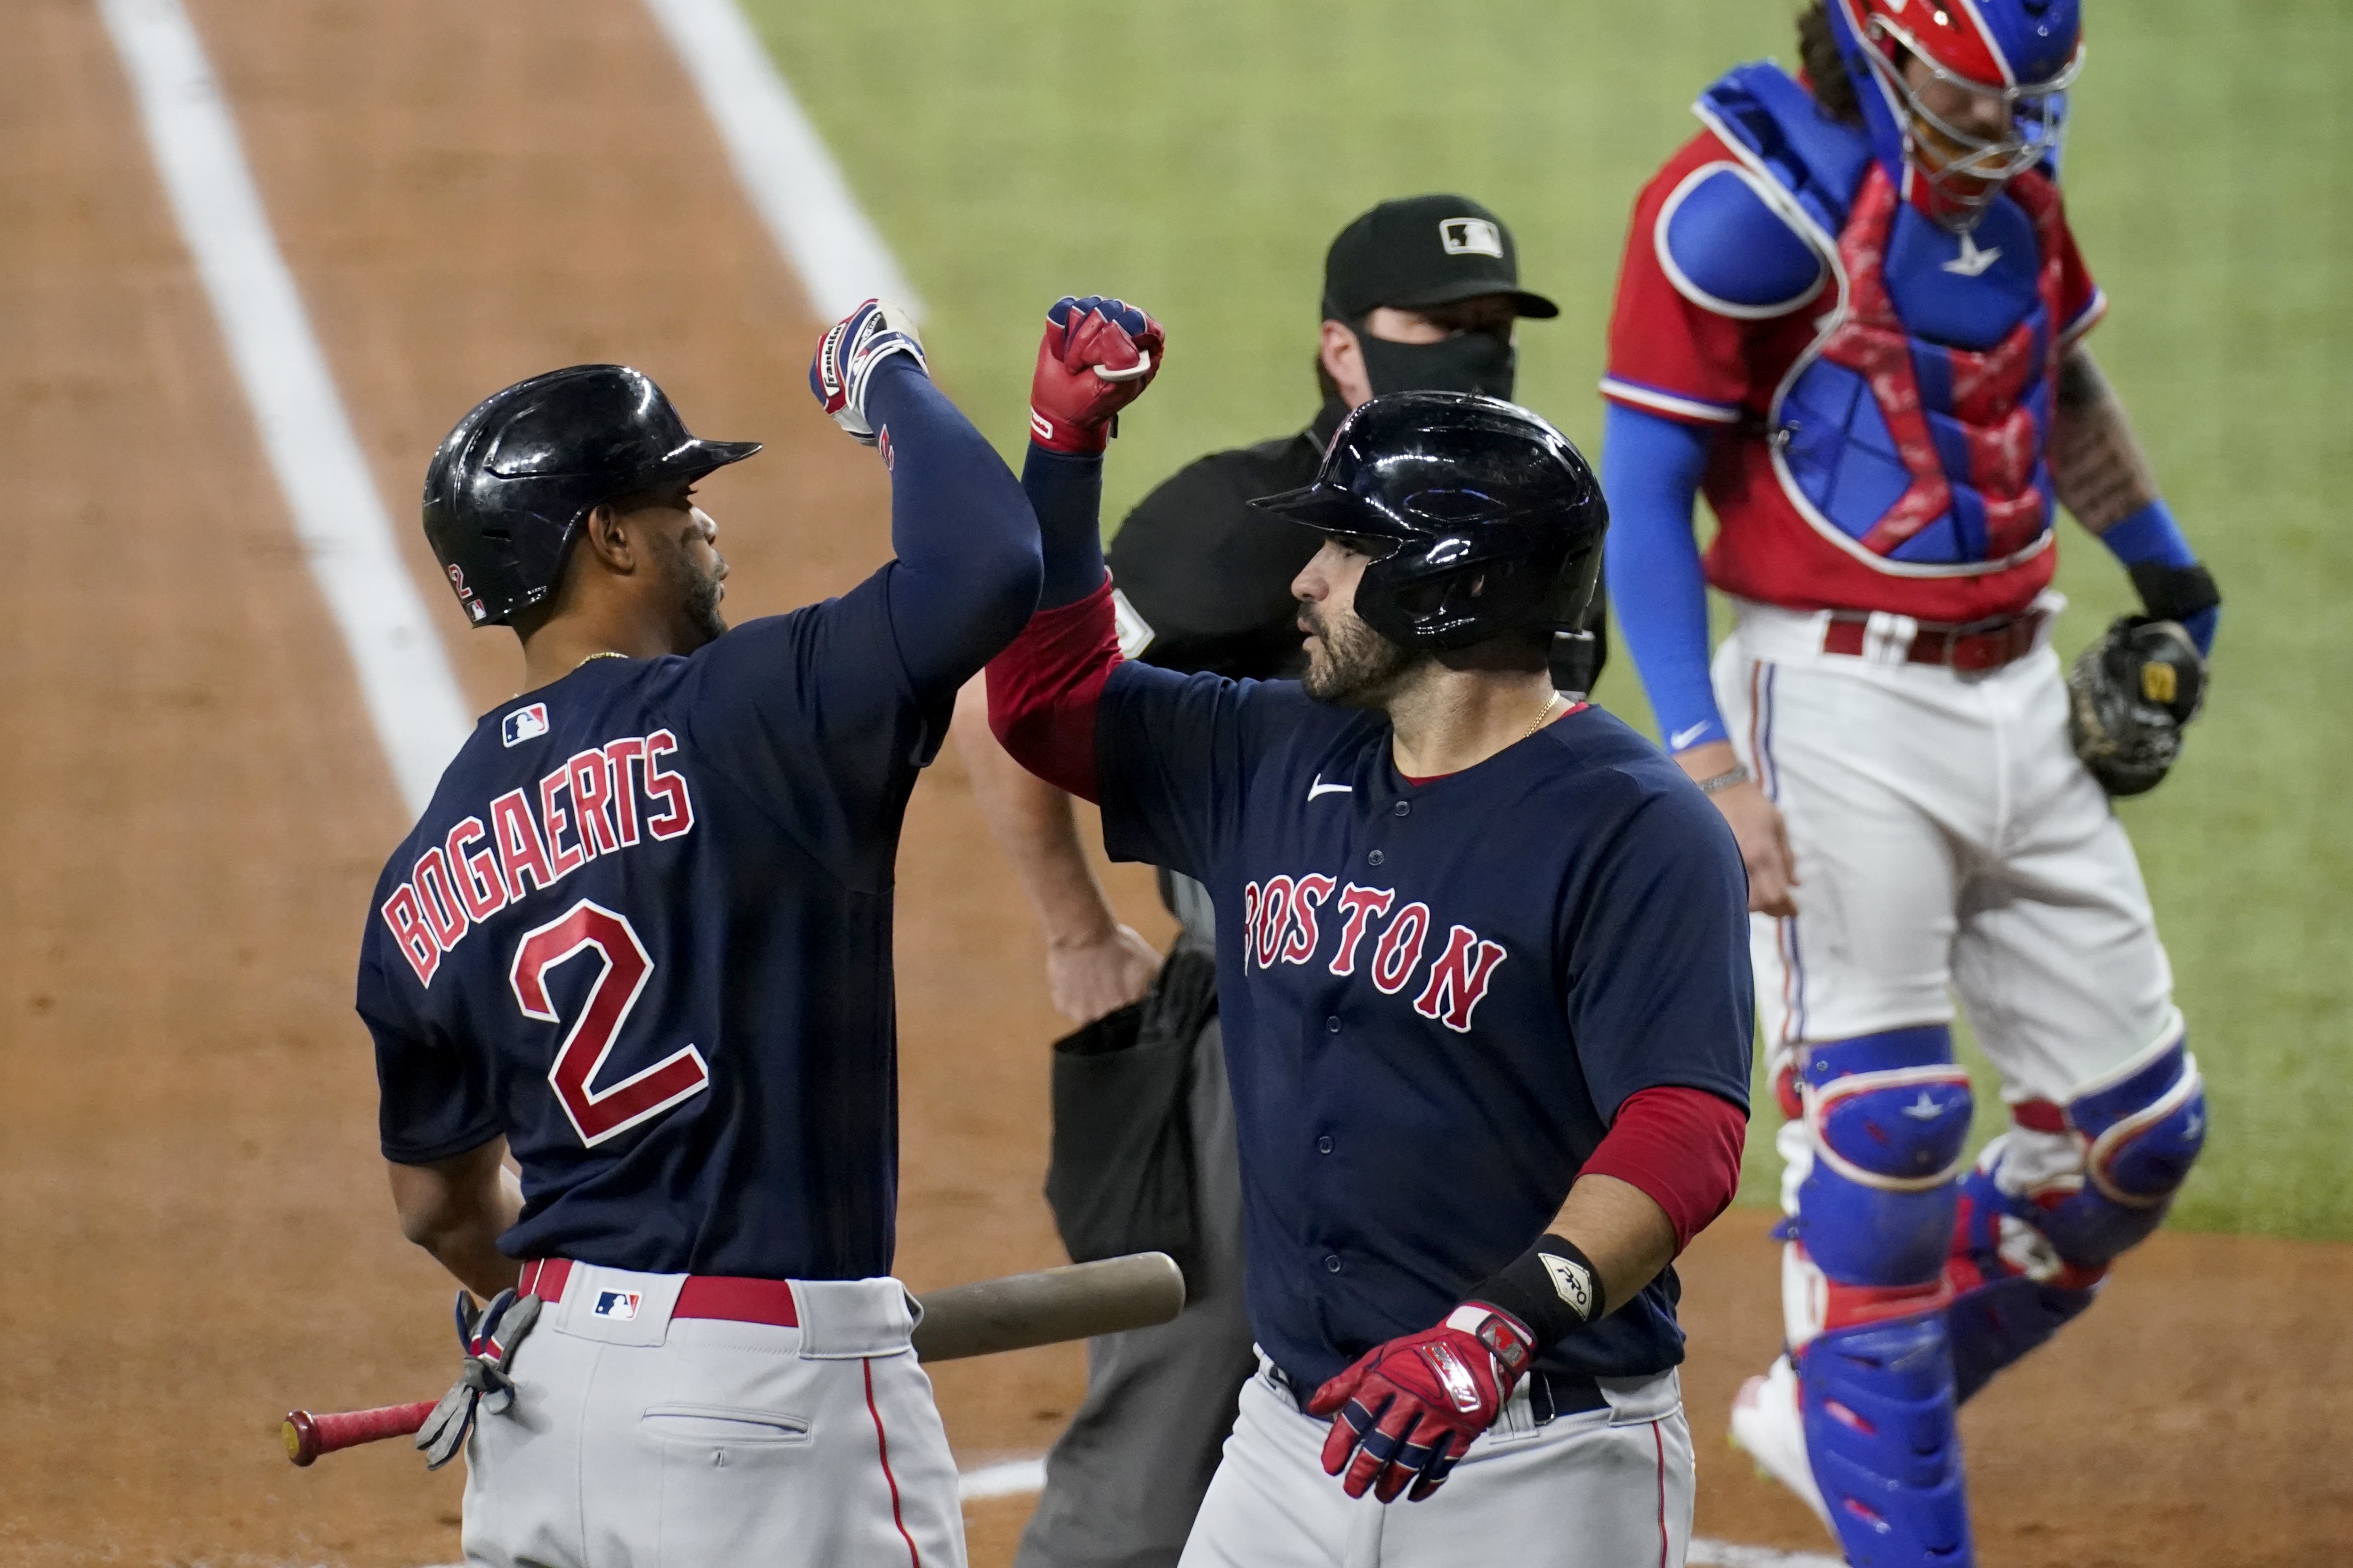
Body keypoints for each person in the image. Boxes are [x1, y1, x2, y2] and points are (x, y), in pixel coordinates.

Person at [355, 300, 1133, 1568]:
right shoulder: (751, 712)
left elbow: (434, 1205)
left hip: (546, 1408)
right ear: (607, 536)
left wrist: (571, 1318)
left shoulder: (423, 867)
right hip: (764, 1414)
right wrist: (882, 378)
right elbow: (985, 566)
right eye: (675, 501)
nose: (704, 520)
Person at [1598, 3, 2219, 1563]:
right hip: (1830, 705)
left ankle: (1851, 1403)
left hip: (2020, 687)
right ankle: (1897, 1497)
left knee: (2138, 1142)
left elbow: (2055, 389)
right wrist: (1706, 761)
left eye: (2030, 101)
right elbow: (1645, 491)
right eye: (1970, 93)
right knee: (1885, 1137)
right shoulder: (1741, 210)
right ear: (1874, 49)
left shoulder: (2011, 192)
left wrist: (2172, 580)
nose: (2004, 130)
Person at [986, 355, 1755, 1566]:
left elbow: (1685, 1127)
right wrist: (1061, 455)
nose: (1306, 581)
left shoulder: (1635, 828)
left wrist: (1493, 1330)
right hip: (1286, 1444)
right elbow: (1042, 703)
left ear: (1443, 586)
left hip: (1533, 1458)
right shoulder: (1270, 748)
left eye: (1345, 550)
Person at [949, 199, 1574, 1568]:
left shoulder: (1529, 526)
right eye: (1438, 328)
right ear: (1341, 350)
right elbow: (1015, 700)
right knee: (1191, 1370)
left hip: (1466, 1017)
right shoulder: (1235, 528)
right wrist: (1077, 930)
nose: (1473, 355)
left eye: (1492, 331)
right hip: (1270, 1007)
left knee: (1471, 1377)